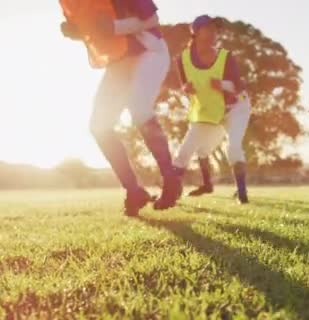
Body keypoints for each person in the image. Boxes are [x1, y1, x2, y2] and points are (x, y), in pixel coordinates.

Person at [60, 0, 181, 216]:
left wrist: (116, 27)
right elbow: (96, 30)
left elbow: (152, 19)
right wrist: (77, 33)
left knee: (139, 108)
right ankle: (133, 191)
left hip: (149, 50)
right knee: (99, 126)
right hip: (120, 61)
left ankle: (171, 180)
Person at [171, 15, 251, 205]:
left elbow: (239, 87)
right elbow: (186, 86)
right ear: (196, 32)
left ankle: (242, 194)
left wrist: (222, 84)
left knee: (233, 147)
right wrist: (186, 90)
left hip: (236, 108)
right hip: (210, 111)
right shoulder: (182, 60)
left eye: (215, 30)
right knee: (188, 150)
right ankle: (172, 192)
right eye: (208, 29)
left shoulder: (225, 57)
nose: (213, 33)